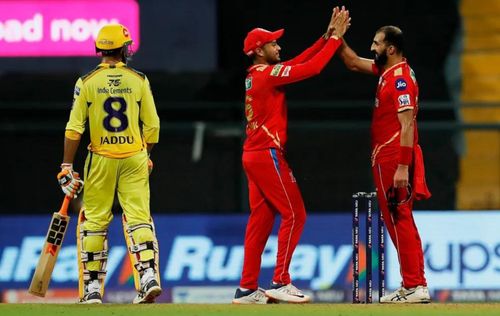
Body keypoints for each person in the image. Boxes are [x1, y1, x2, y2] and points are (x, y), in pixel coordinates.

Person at [232, 7, 351, 304]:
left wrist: (325, 37)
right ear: (259, 50)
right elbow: (311, 69)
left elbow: (298, 61)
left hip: (253, 154)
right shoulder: (266, 75)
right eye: (273, 44)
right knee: (295, 213)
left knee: (260, 221)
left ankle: (247, 288)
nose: (279, 46)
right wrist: (336, 42)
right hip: (265, 154)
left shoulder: (259, 74)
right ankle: (280, 280)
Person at [57, 24, 161, 304]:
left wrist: (67, 166)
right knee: (139, 217)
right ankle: (148, 277)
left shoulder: (87, 81)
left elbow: (73, 129)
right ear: (123, 48)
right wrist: (145, 154)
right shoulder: (139, 79)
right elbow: (152, 126)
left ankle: (91, 289)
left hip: (101, 158)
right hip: (134, 156)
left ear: (101, 49)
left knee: (94, 219)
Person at [338, 25, 432, 303]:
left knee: (398, 220)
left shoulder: (400, 79)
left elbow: (406, 126)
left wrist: (403, 166)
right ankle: (416, 284)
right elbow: (353, 63)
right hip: (390, 156)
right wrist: (335, 37)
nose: (372, 48)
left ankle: (414, 285)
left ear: (390, 48)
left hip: (392, 157)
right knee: (402, 219)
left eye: (376, 43)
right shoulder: (389, 72)